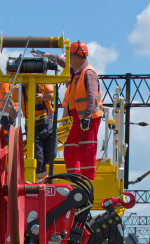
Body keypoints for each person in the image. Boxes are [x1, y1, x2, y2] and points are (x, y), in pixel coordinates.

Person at [45, 41, 102, 179]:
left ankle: (87, 180)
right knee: (70, 147)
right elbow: (62, 61)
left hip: (89, 118)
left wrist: (87, 118)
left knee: (87, 149)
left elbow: (92, 97)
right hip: (79, 118)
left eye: (70, 56)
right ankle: (75, 178)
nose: (68, 59)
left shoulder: (88, 73)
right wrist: (47, 55)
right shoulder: (77, 71)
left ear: (76, 58)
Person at [9, 82, 56, 178]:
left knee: (52, 154)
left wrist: (43, 96)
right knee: (38, 159)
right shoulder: (17, 90)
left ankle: (43, 172)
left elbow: (54, 95)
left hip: (48, 124)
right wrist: (10, 109)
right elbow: (8, 99)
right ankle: (41, 182)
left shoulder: (43, 85)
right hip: (32, 128)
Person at [0, 75, 17, 145]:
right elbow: (6, 98)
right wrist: (11, 111)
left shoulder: (5, 82)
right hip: (8, 115)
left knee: (8, 136)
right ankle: (7, 153)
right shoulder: (6, 82)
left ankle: (7, 151)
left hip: (5, 114)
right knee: (8, 137)